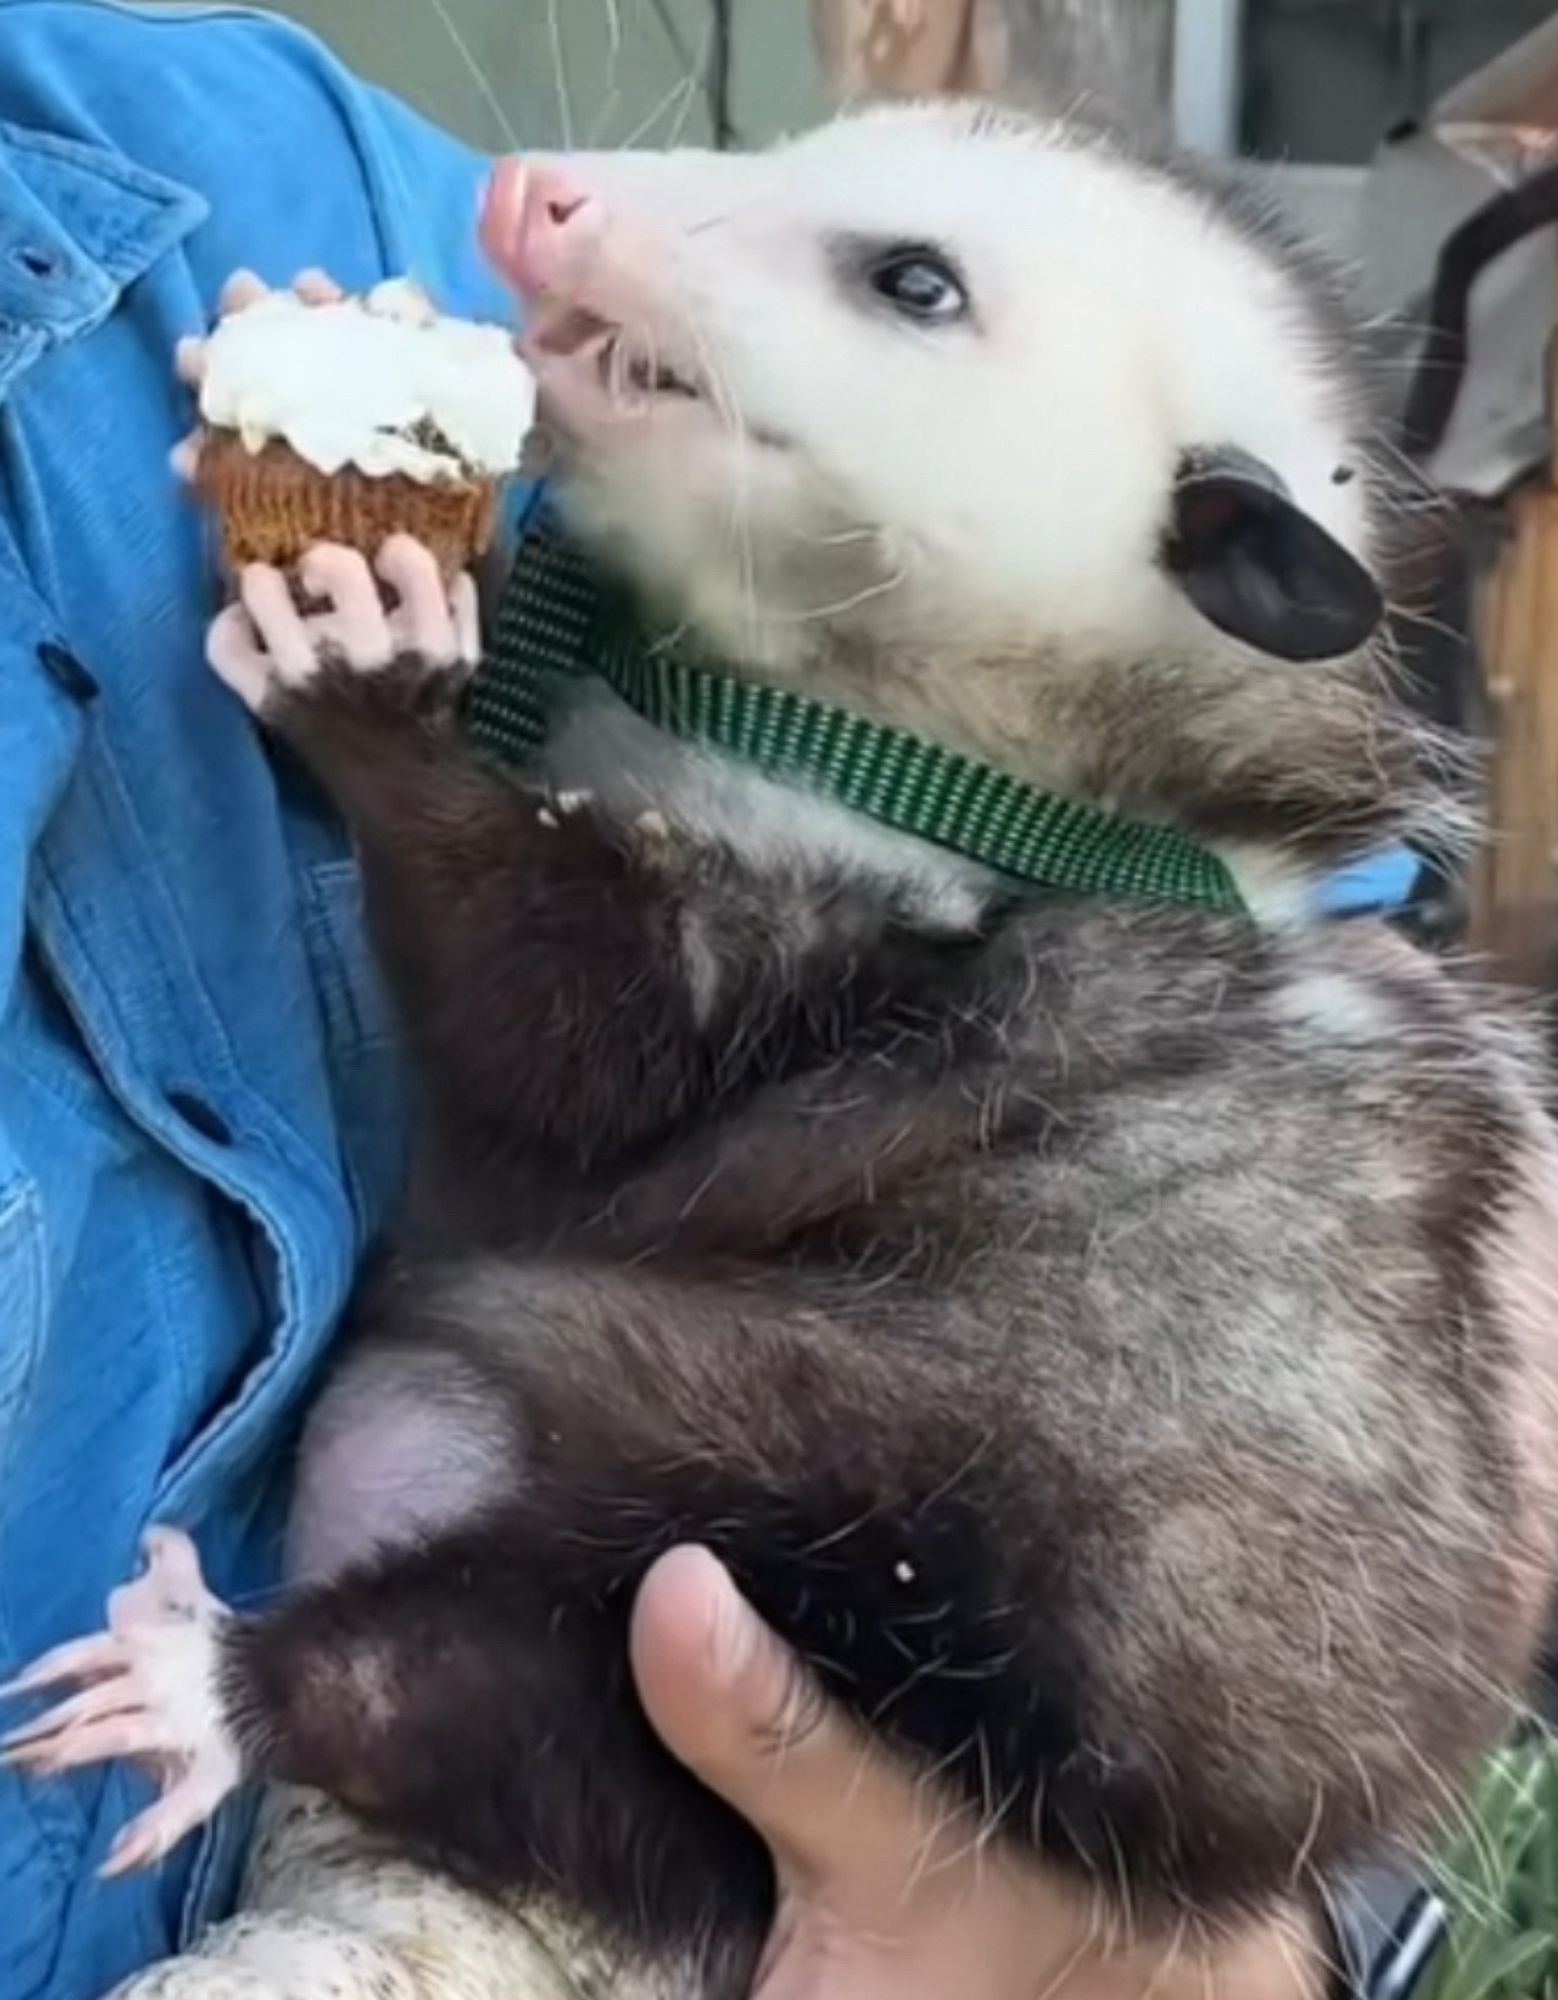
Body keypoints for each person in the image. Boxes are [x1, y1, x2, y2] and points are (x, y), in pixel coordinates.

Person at [0, 5, 1382, 1996]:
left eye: (893, 274)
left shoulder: (210, 155)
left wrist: (1208, 1938)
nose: (562, 211)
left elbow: (1350, 955)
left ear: (1208, 546)